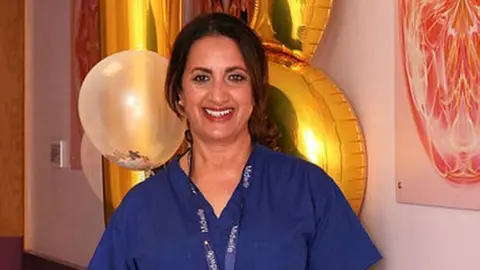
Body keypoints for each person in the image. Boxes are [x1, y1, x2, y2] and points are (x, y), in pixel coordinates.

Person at [87, 12, 382, 270]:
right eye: (202, 78)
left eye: (235, 77)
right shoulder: (142, 207)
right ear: (179, 94)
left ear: (255, 91)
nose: (218, 95)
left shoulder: (306, 188)